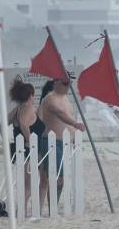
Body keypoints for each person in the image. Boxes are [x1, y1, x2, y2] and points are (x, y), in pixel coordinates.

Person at [37, 77, 86, 211]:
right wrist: (75, 124)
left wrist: (75, 131)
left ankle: (52, 207)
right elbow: (60, 114)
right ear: (56, 82)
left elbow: (69, 116)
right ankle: (51, 208)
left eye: (69, 83)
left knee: (55, 178)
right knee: (55, 177)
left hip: (65, 143)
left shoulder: (67, 99)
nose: (68, 85)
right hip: (50, 142)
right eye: (65, 83)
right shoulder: (49, 98)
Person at [8, 78, 43, 213]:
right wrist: (30, 141)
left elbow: (2, 124)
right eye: (33, 95)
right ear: (30, 95)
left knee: (26, 181)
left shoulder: (17, 109)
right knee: (29, 182)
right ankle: (21, 210)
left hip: (19, 148)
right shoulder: (28, 108)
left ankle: (21, 209)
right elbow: (23, 124)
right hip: (29, 150)